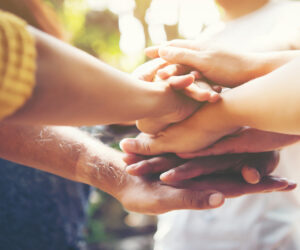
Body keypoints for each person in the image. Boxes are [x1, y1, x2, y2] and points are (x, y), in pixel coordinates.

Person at [121, 0, 300, 249]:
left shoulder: (291, 15)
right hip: (179, 237)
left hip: (262, 236)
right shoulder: (207, 36)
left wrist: (206, 80)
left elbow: (288, 51)